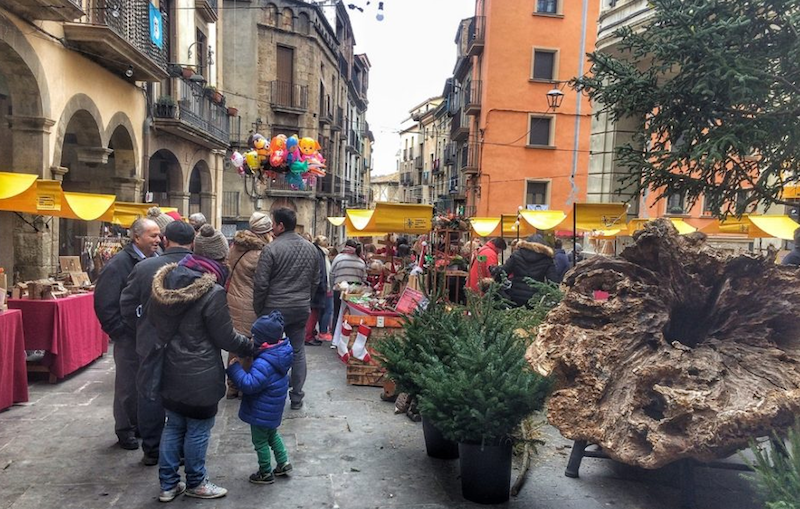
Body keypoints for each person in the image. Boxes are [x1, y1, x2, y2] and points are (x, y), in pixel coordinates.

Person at [149, 224, 254, 502]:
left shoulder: (168, 281)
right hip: (200, 370)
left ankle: (168, 485)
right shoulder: (213, 292)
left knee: (173, 425)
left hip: (170, 366)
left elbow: (155, 322)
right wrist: (249, 346)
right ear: (217, 258)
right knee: (198, 427)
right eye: (223, 258)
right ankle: (196, 481)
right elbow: (225, 337)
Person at [119, 220, 196, 466]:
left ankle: (152, 449)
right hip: (189, 342)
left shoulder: (144, 268)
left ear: (165, 239)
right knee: (185, 393)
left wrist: (141, 326)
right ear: (192, 241)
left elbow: (127, 305)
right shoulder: (200, 267)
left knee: (150, 393)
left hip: (151, 339)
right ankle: (182, 448)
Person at [94, 217, 161, 451]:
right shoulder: (119, 264)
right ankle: (125, 429)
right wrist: (120, 331)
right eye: (152, 235)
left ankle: (140, 423)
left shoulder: (155, 258)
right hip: (129, 335)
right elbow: (104, 302)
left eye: (158, 235)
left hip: (147, 334)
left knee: (145, 382)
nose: (158, 239)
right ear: (137, 237)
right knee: (127, 385)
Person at [253, 208, 320, 410]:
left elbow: (261, 284)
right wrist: (306, 300)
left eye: (273, 223)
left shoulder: (271, 249)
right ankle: (297, 396)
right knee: (298, 351)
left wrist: (259, 308)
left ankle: (265, 393)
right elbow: (316, 280)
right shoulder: (311, 249)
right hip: (300, 308)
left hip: (274, 308)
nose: (272, 228)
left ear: (281, 225)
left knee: (266, 351)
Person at [227, 311, 294, 485]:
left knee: (260, 442)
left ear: (263, 341)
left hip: (261, 410)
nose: (252, 338)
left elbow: (249, 385)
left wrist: (235, 370)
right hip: (273, 408)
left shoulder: (264, 363)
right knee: (272, 435)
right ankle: (283, 462)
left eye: (255, 335)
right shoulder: (279, 354)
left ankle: (265, 472)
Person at [226, 212, 273, 399]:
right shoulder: (260, 254)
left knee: (234, 344)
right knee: (248, 345)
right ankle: (242, 384)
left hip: (232, 299)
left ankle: (231, 386)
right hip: (250, 302)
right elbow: (263, 282)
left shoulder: (235, 247)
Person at [497, 234, 558, 308]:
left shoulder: (517, 255)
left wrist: (503, 294)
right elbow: (553, 282)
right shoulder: (547, 259)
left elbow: (502, 274)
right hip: (535, 298)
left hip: (515, 296)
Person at [330, 239, 368, 333]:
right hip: (355, 292)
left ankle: (335, 334)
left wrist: (332, 287)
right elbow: (364, 278)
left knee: (337, 313)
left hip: (339, 289)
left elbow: (331, 274)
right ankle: (350, 334)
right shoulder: (361, 262)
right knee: (351, 313)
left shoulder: (338, 258)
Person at [313, 236, 334, 341]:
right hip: (325, 287)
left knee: (323, 310)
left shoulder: (322, 254)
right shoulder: (322, 254)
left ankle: (322, 331)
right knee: (328, 310)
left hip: (324, 286)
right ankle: (323, 332)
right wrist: (326, 286)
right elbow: (324, 272)